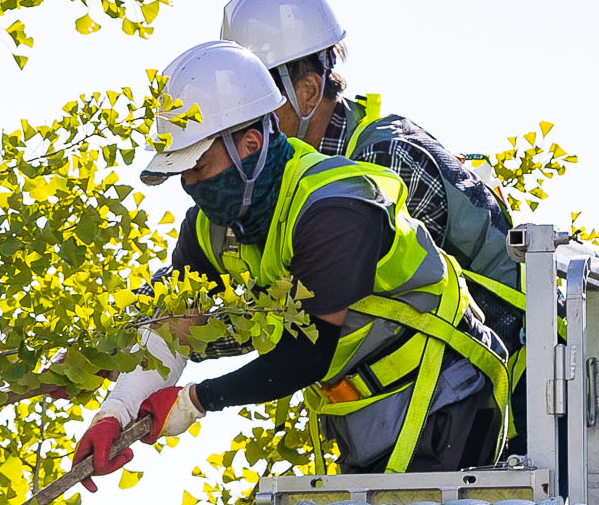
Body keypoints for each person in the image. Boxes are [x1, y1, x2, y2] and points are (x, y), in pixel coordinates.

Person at [74, 40, 512, 479]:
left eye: (199, 166)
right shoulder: (210, 229)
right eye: (180, 172)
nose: (190, 184)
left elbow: (307, 353)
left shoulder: (333, 207)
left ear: (248, 144)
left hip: (448, 395)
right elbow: (174, 328)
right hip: (367, 417)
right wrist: (115, 413)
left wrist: (197, 400)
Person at [219, 0, 524, 346]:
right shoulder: (295, 179)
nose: (242, 117)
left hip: (516, 380)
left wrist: (200, 338)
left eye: (259, 97)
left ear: (308, 90)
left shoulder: (383, 162)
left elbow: (321, 309)